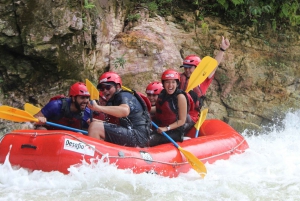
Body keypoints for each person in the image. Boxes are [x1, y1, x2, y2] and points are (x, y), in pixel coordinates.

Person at [87, 72, 151, 147]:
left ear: (117, 86)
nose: (104, 91)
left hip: (138, 136)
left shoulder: (123, 95)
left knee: (95, 127)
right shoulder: (114, 100)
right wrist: (99, 121)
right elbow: (118, 124)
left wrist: (98, 107)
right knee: (95, 124)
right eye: (102, 88)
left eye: (108, 87)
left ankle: (93, 157)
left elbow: (125, 111)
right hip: (136, 136)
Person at [179, 36, 230, 122]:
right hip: (176, 113)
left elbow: (213, 67)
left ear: (197, 68)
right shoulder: (179, 78)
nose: (187, 70)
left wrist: (222, 49)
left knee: (185, 118)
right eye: (185, 68)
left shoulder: (204, 80)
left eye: (190, 68)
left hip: (191, 117)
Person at [149, 69, 193, 147]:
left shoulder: (180, 97)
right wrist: (146, 109)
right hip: (161, 127)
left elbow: (182, 120)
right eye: (167, 82)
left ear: (177, 83)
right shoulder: (163, 93)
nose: (170, 85)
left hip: (174, 131)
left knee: (149, 141)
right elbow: (160, 109)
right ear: (163, 83)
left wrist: (166, 128)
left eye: (173, 82)